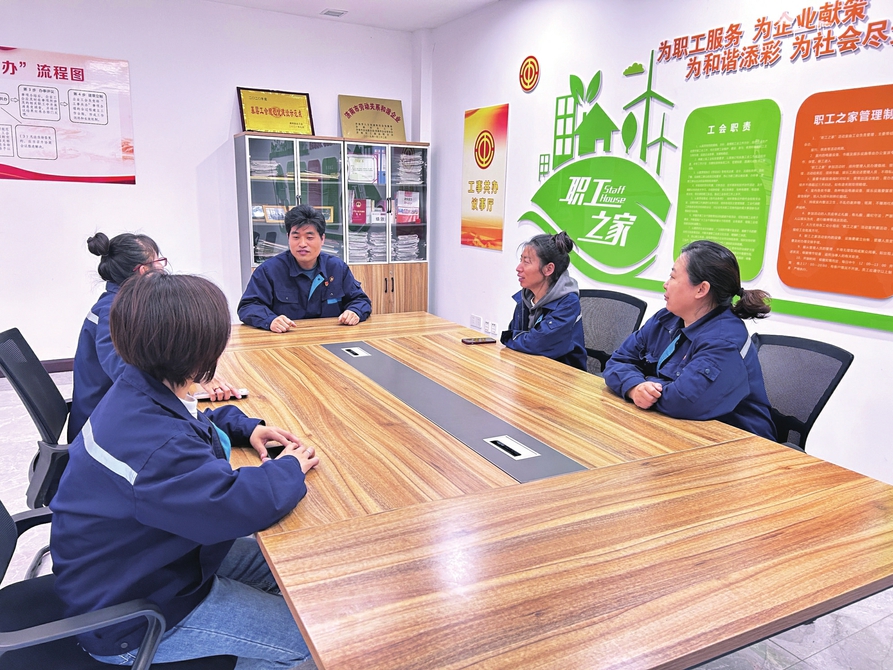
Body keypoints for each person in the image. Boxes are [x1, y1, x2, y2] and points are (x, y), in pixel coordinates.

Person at [50, 271, 319, 669]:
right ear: (201, 352)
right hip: (134, 616)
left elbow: (190, 419)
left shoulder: (136, 387)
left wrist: (246, 428)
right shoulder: (158, 447)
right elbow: (231, 506)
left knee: (292, 567)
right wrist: (289, 469)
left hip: (145, 562)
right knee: (310, 639)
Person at [68, 232, 239, 442]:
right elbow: (126, 373)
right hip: (100, 429)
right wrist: (187, 375)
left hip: (113, 414)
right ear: (143, 271)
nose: (163, 268)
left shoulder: (124, 303)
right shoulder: (113, 312)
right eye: (158, 261)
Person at [603, 240, 776, 440]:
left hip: (736, 442)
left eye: (673, 277)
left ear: (701, 289)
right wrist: (635, 387)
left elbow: (682, 401)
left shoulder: (724, 340)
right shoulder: (667, 318)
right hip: (677, 429)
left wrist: (644, 384)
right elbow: (617, 361)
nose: (665, 284)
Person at [238, 204, 372, 332]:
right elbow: (248, 306)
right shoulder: (269, 271)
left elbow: (360, 300)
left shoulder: (337, 268)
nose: (302, 244)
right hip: (286, 341)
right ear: (288, 238)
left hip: (330, 338)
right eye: (296, 237)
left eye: (309, 237)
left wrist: (354, 311)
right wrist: (270, 320)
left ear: (322, 239)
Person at [500, 231, 587, 370]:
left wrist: (511, 338)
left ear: (548, 269)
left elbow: (537, 344)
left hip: (562, 374)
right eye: (520, 260)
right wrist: (515, 339)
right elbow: (517, 339)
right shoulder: (526, 297)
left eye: (526, 262)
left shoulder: (568, 303)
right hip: (527, 367)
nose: (518, 268)